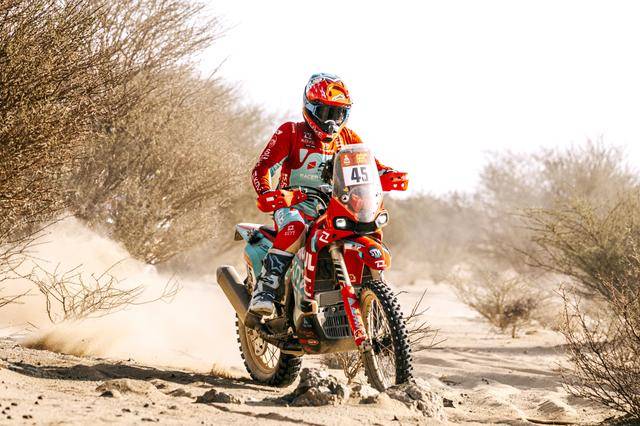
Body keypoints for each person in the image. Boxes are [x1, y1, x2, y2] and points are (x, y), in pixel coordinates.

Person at [248, 73, 403, 317]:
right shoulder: (291, 132)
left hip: (335, 206)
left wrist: (390, 174)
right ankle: (265, 289)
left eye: (338, 114)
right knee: (296, 227)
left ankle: (376, 295)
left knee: (367, 227)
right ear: (310, 108)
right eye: (326, 112)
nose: (332, 121)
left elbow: (372, 167)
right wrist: (268, 193)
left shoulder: (348, 138)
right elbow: (263, 168)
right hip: (294, 204)